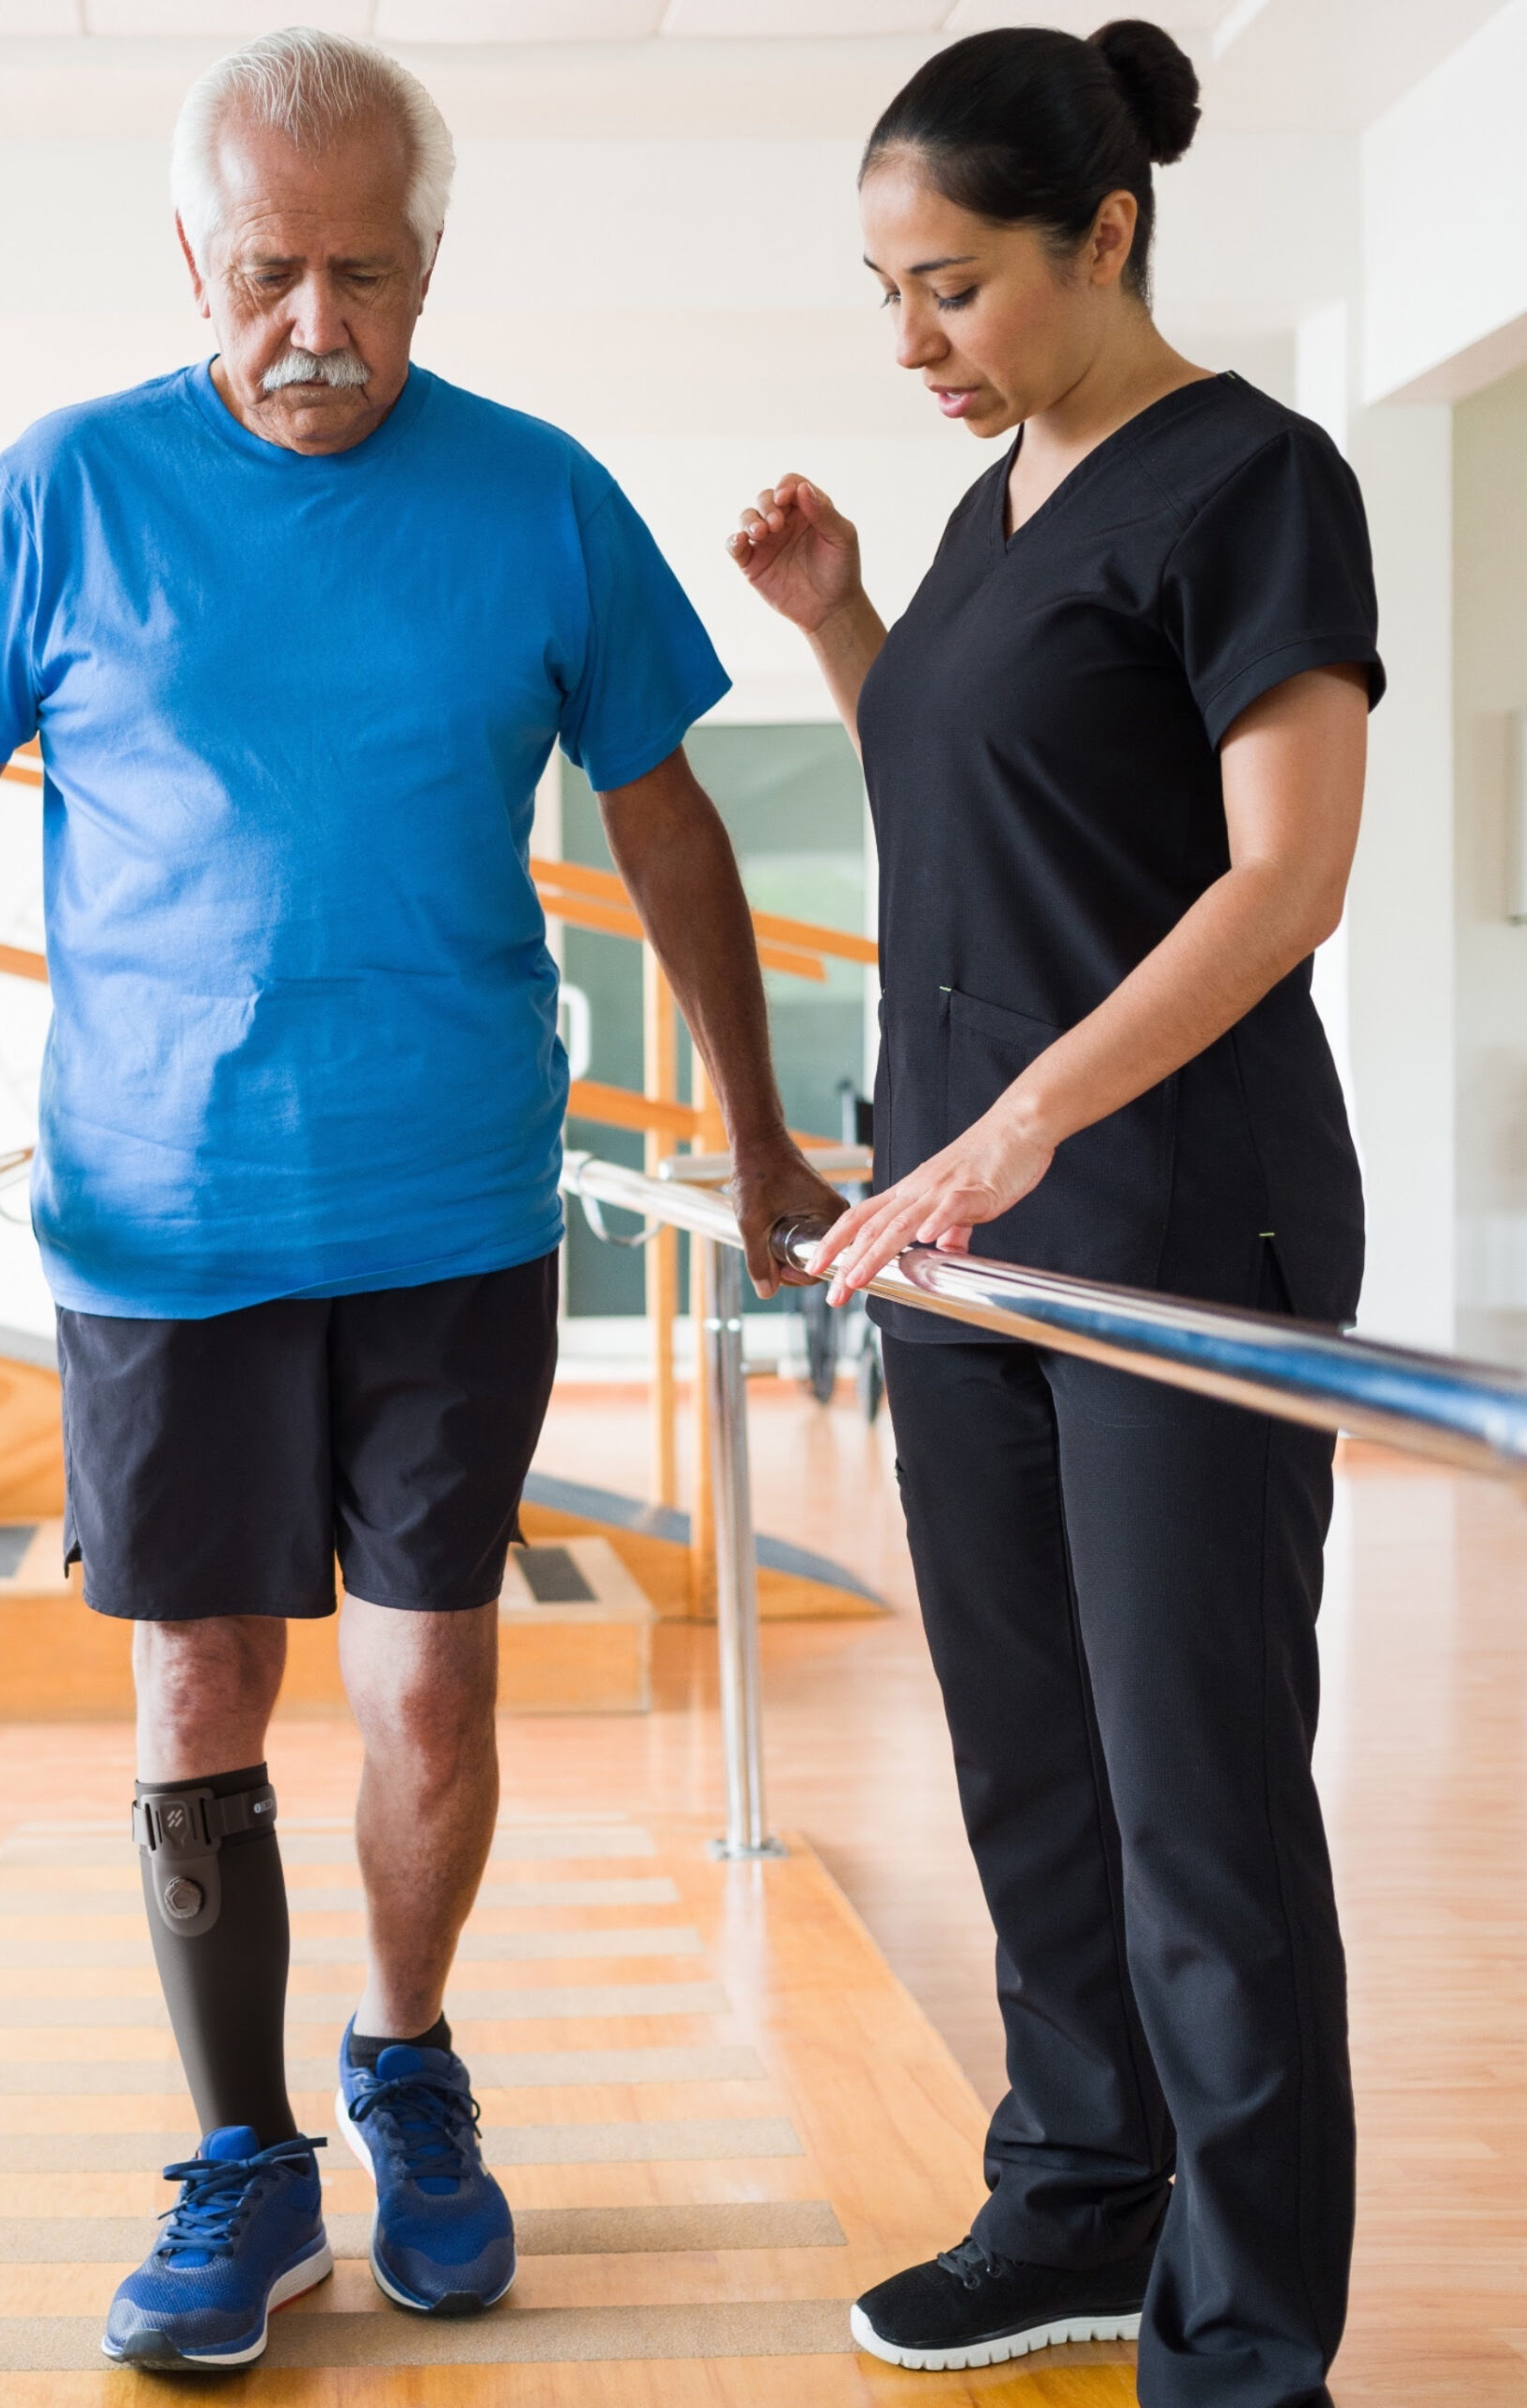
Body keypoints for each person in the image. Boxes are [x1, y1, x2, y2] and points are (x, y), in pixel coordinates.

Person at [0, 25, 839, 2374]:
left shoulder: (538, 499)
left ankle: (400, 2067)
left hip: (450, 1210)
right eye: (272, 274)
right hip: (159, 1218)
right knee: (198, 1671)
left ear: (429, 266)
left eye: (368, 277)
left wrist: (760, 1124)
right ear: (190, 254)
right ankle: (238, 2157)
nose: (318, 326)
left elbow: (667, 814)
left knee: (426, 1683)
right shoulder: (63, 488)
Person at [730, 22, 1378, 2406]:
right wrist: (834, 626)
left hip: (1167, 1217)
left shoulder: (1249, 479)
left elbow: (1280, 875)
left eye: (953, 288)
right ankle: (1078, 2199)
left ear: (1104, 233)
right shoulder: (1001, 490)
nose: (910, 342)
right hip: (963, 1230)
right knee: (1027, 1755)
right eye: (884, 294)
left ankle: (1243, 2333)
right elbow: (989, 799)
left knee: (1193, 1790)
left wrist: (1016, 1126)